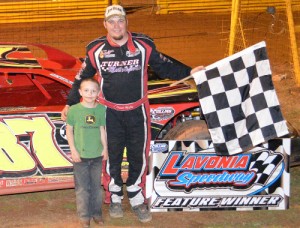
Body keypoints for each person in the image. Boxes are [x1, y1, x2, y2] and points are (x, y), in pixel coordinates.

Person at [61, 4, 204, 223]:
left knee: (138, 154)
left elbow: (164, 65)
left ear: (127, 22)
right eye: (111, 21)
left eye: (120, 21)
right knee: (111, 155)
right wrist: (70, 103)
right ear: (105, 24)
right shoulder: (95, 49)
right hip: (109, 113)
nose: (116, 25)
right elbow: (82, 77)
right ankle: (115, 195)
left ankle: (137, 195)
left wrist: (189, 71)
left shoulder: (144, 44)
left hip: (138, 111)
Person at [66, 78, 108, 227]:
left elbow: (102, 130)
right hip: (80, 157)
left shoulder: (101, 109)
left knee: (96, 188)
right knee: (83, 188)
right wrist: (73, 150)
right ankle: (84, 216)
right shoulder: (74, 110)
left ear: (98, 92)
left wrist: (105, 149)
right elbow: (69, 130)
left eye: (93, 91)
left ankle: (97, 214)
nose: (90, 94)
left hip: (96, 155)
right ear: (80, 92)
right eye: (86, 90)